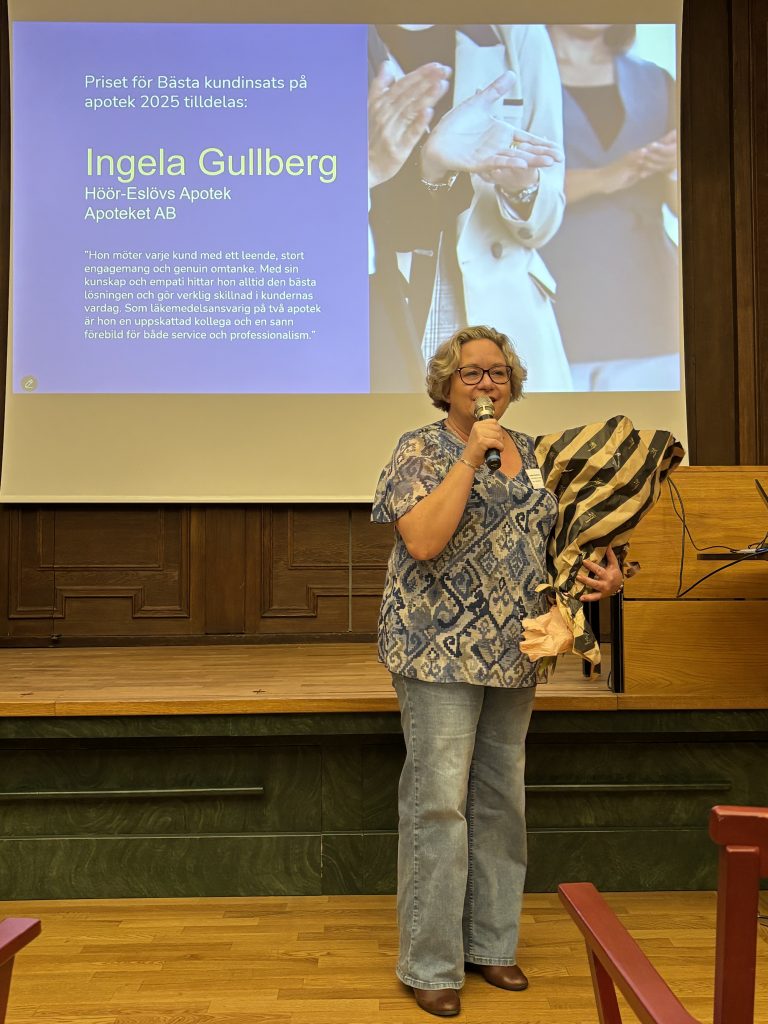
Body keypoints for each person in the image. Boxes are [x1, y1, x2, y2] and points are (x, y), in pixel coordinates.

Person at [371, 325, 622, 1017]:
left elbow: (565, 546)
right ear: (446, 385)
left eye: (498, 374)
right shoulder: (420, 449)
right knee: (438, 803)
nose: (487, 385)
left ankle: (491, 944)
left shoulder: (538, 454)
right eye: (472, 374)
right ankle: (429, 963)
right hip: (435, 650)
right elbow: (422, 541)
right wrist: (468, 462)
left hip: (515, 652)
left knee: (499, 801)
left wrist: (602, 574)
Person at [369, 25, 572, 393]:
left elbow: (545, 221)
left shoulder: (515, 32)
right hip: (395, 295)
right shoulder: (345, 28)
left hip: (500, 303)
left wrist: (520, 187)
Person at [542, 24, 680, 390]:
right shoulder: (519, 77)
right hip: (559, 300)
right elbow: (502, 190)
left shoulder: (656, 80)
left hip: (647, 303)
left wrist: (676, 167)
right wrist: (608, 176)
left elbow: (688, 211)